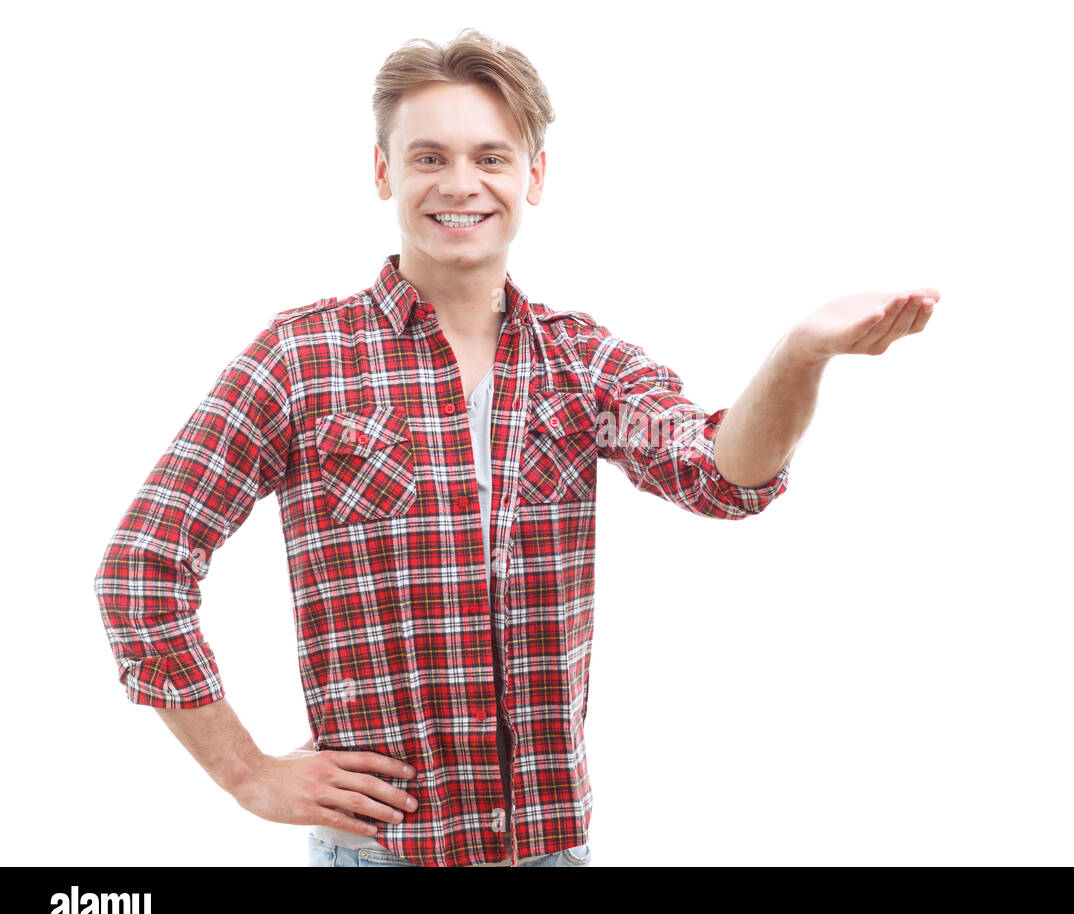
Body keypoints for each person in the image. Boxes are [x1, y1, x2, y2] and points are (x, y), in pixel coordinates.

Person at [92, 28, 939, 868]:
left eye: (491, 157)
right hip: (382, 854)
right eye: (430, 157)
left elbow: (720, 476)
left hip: (548, 851)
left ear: (533, 175)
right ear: (383, 171)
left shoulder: (580, 361)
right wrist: (247, 774)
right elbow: (143, 565)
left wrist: (802, 354)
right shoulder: (301, 359)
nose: (461, 184)